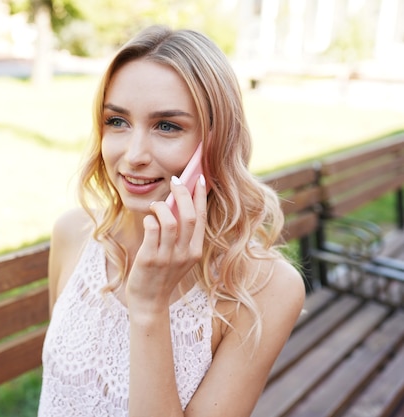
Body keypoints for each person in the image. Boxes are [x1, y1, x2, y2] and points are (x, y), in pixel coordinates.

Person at [38, 25, 305, 417]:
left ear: (215, 144)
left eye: (167, 126)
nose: (133, 155)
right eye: (117, 121)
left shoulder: (266, 288)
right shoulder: (73, 234)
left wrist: (149, 306)